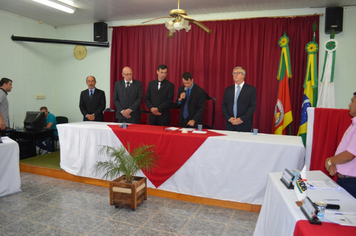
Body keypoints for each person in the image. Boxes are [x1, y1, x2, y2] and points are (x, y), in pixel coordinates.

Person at [325, 92, 356, 198]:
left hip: (352, 182)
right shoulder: (353, 124)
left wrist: (330, 160)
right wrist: (334, 163)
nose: (349, 104)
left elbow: (349, 155)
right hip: (346, 180)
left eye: (352, 101)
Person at [222, 66, 256, 132]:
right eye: (234, 73)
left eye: (238, 73)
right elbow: (224, 106)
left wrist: (242, 119)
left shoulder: (251, 89)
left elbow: (252, 106)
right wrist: (229, 118)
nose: (235, 75)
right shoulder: (228, 90)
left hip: (244, 124)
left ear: (243, 75)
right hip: (230, 124)